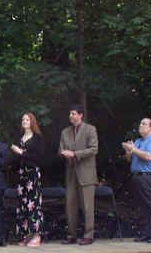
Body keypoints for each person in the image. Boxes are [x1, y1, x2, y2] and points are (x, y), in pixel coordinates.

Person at [58, 104, 98, 246]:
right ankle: (71, 235)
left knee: (87, 206)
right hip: (71, 173)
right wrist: (63, 154)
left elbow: (93, 149)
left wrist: (74, 154)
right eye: (70, 113)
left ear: (80, 115)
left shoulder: (90, 129)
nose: (71, 116)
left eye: (73, 114)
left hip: (86, 173)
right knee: (70, 206)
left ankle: (88, 235)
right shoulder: (65, 132)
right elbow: (60, 150)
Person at [122, 118, 151, 243]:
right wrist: (128, 152)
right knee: (145, 207)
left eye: (144, 124)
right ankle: (149, 233)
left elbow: (148, 156)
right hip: (138, 177)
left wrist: (133, 149)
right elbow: (129, 160)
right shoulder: (139, 141)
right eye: (140, 123)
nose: (141, 125)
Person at [11, 113, 44, 247]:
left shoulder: (38, 138)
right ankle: (27, 233)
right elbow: (16, 158)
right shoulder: (19, 138)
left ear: (32, 122)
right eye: (23, 119)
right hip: (22, 174)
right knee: (23, 203)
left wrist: (22, 153)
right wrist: (17, 154)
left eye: (27, 119)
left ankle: (36, 234)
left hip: (32, 174)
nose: (24, 121)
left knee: (33, 202)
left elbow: (39, 157)